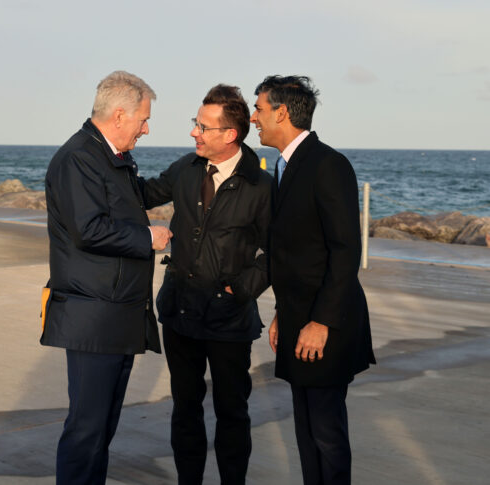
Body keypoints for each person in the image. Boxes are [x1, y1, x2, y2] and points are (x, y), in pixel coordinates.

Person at [41, 70, 172, 485]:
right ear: (120, 114)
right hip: (92, 316)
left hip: (116, 314)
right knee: (86, 431)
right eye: (143, 119)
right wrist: (147, 237)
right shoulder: (79, 157)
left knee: (101, 431)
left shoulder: (110, 156)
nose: (146, 128)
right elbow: (89, 229)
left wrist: (193, 166)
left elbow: (134, 198)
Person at [141, 84, 273, 484]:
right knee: (185, 409)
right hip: (181, 312)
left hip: (229, 320)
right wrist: (106, 162)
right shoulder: (187, 167)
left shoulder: (260, 186)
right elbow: (144, 192)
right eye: (195, 124)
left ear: (229, 135)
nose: (194, 132)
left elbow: (276, 252)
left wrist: (240, 290)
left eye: (202, 126)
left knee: (232, 412)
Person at [250, 75, 376, 485]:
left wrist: (320, 322)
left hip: (327, 324)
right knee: (305, 429)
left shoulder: (328, 164)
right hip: (297, 319)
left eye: (259, 109)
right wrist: (282, 315)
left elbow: (345, 251)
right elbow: (292, 253)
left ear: (281, 112)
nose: (254, 118)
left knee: (325, 432)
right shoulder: (285, 167)